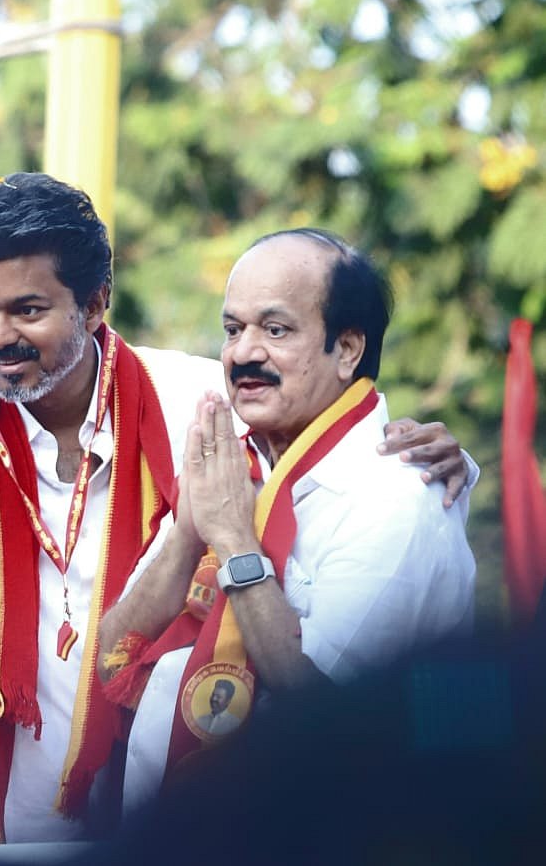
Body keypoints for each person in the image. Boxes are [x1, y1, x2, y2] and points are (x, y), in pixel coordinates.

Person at [0, 178, 474, 845]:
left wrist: (444, 465)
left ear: (95, 302)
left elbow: (323, 430)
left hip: (194, 799)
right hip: (21, 806)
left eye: (27, 310)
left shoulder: (199, 400)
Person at [97, 228, 476, 814]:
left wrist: (234, 542)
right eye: (233, 329)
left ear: (346, 350)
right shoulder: (232, 466)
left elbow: (322, 706)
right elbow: (110, 655)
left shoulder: (397, 495)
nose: (243, 353)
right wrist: (191, 533)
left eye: (275, 330)